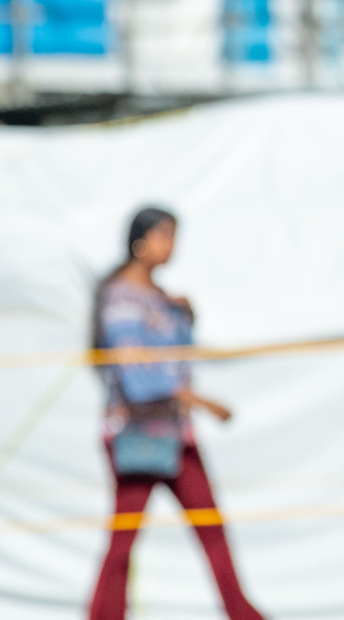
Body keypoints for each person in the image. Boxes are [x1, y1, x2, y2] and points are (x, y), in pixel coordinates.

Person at [88, 207, 266, 620]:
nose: (171, 246)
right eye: (164, 235)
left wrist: (184, 313)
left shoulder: (157, 296)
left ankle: (242, 614)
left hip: (173, 433)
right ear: (140, 240)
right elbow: (137, 376)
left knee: (211, 530)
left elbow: (178, 356)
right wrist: (198, 401)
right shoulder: (121, 298)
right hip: (137, 433)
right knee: (124, 540)